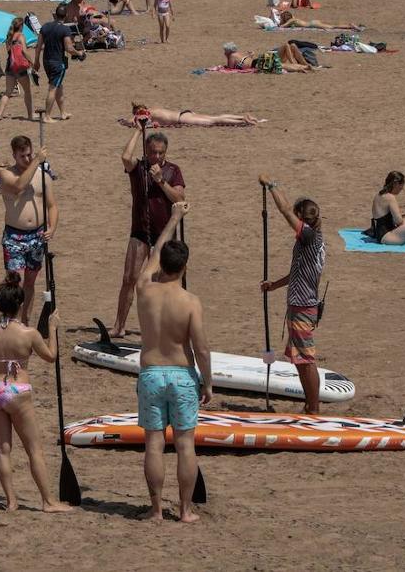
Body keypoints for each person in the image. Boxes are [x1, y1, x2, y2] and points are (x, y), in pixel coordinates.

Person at [0, 273, 71, 513]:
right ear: (21, 305)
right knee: (33, 449)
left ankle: (11, 501)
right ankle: (48, 501)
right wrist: (52, 328)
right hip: (18, 390)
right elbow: (50, 357)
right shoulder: (29, 334)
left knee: (3, 449)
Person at [134, 201, 209, 523]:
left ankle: (156, 509)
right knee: (184, 445)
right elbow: (201, 348)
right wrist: (208, 381)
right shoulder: (191, 302)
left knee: (153, 444)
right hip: (180, 374)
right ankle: (185, 510)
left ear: (162, 264)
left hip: (151, 372)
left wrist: (173, 218)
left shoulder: (144, 290)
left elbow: (151, 259)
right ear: (186, 267)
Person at [113, 127, 185, 339]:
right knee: (129, 278)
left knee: (162, 282)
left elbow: (179, 199)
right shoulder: (139, 167)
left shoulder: (173, 170)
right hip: (140, 232)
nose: (157, 156)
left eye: (161, 153)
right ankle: (119, 326)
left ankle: (161, 327)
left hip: (164, 234)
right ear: (146, 151)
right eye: (153, 152)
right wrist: (137, 129)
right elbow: (125, 157)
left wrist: (161, 181)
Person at [259, 183, 325, 414]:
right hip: (299, 305)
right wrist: (273, 285)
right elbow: (297, 272)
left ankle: (313, 408)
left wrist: (271, 186)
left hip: (303, 307)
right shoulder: (308, 240)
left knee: (306, 360)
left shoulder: (309, 237)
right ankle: (309, 404)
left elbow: (286, 210)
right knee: (299, 359)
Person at [0, 137, 55, 324]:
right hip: (14, 236)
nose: (27, 159)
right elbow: (18, 187)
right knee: (13, 282)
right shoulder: (5, 174)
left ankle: (25, 320)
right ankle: (11, 317)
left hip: (37, 235)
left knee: (30, 283)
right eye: (22, 156)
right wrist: (37, 161)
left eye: (29, 155)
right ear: (14, 155)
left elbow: (52, 205)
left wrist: (53, 227)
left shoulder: (42, 174)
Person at [33, 4, 83, 123]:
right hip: (57, 62)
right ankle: (47, 116)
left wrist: (36, 61)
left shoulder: (45, 27)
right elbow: (69, 48)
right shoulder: (65, 29)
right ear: (65, 16)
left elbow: (38, 46)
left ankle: (63, 113)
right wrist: (79, 53)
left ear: (55, 15)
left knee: (59, 86)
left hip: (46, 61)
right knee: (53, 88)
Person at [0, 17, 34, 121]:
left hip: (10, 66)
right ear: (21, 26)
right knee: (27, 91)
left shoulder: (9, 37)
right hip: (20, 67)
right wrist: (31, 62)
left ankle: (0, 114)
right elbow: (24, 52)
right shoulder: (21, 36)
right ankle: (30, 115)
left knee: (7, 92)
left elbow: (9, 52)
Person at [132, 102, 259, 127]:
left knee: (215, 121)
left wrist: (127, 121)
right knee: (215, 117)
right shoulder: (154, 108)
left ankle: (243, 121)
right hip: (185, 113)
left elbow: (135, 121)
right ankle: (242, 117)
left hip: (182, 118)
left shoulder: (147, 113)